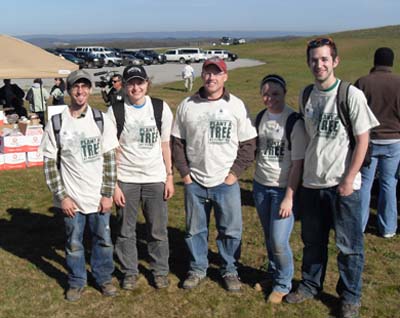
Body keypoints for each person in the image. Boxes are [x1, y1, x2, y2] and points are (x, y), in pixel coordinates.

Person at [285, 38, 379, 318]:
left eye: (325, 59)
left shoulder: (350, 94)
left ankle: (350, 296)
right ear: (308, 63)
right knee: (313, 242)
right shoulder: (306, 95)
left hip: (342, 186)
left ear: (335, 61)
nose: (319, 64)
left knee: (349, 247)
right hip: (312, 184)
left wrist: (350, 178)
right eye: (314, 59)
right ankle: (310, 285)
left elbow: (363, 139)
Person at [172, 57, 257, 292]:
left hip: (225, 182)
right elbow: (177, 142)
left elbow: (249, 144)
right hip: (195, 181)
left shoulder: (236, 105)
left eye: (216, 73)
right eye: (207, 73)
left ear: (225, 77)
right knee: (194, 230)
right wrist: (186, 175)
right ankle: (197, 268)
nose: (211, 77)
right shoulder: (187, 105)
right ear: (202, 76)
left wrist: (234, 174)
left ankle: (229, 269)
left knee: (230, 230)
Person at [40, 70, 119, 302]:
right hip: (72, 200)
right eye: (76, 86)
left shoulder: (101, 119)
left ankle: (104, 278)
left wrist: (107, 194)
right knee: (74, 243)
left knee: (103, 240)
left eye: (85, 86)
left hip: (98, 198)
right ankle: (76, 281)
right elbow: (49, 164)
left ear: (90, 90)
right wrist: (62, 196)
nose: (80, 91)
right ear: (68, 90)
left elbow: (110, 160)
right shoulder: (56, 122)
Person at [108, 65, 174, 290]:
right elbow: (110, 150)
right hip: (126, 179)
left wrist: (169, 176)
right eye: (131, 83)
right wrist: (114, 185)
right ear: (125, 86)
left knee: (157, 229)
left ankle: (160, 271)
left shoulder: (160, 108)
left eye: (140, 82)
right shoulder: (115, 111)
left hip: (155, 178)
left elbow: (166, 144)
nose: (136, 87)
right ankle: (129, 271)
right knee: (126, 230)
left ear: (147, 84)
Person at [253, 74, 307, 304]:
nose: (270, 98)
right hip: (260, 186)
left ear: (284, 93)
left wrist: (289, 197)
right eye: (266, 93)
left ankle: (284, 283)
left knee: (278, 239)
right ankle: (274, 275)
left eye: (275, 93)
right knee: (268, 236)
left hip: (283, 189)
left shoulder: (294, 121)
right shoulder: (260, 117)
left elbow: (298, 164)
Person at [354, 47, 400, 238]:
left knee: (364, 183)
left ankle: (360, 225)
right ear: (391, 62)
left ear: (375, 61)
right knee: (389, 183)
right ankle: (388, 227)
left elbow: (354, 112)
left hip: (368, 141)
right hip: (395, 140)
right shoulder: (399, 82)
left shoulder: (363, 83)